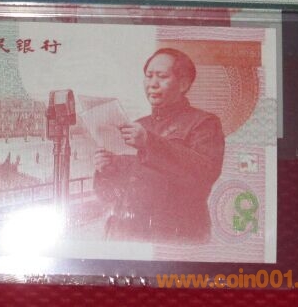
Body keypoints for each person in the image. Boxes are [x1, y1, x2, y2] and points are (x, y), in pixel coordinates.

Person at [94, 48, 225, 243]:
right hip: (127, 233)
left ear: (183, 84)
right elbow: (108, 196)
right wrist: (107, 170)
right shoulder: (140, 125)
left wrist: (149, 143)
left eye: (162, 76)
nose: (153, 84)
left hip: (176, 235)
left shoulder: (204, 123)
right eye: (149, 76)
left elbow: (204, 173)